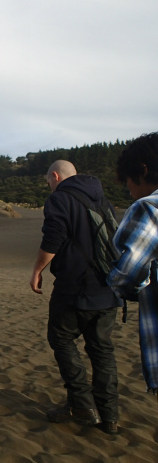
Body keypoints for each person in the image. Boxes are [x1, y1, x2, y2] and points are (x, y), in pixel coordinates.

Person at [30, 160, 123, 435]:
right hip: (108, 288)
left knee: (60, 338)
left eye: (48, 181)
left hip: (75, 287)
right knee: (102, 350)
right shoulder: (103, 200)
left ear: (55, 176)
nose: (49, 186)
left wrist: (37, 271)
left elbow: (53, 238)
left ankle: (81, 404)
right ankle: (110, 416)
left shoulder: (59, 199)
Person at [107, 132, 158, 398]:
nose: (127, 187)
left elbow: (127, 275)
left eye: (127, 178)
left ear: (143, 169)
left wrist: (121, 287)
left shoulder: (148, 208)